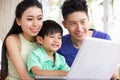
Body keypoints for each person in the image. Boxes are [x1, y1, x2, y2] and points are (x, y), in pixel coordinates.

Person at [57, 0, 119, 80]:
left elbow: (114, 76)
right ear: (64, 24)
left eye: (83, 22)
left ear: (88, 19)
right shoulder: (59, 44)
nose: (79, 29)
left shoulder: (104, 39)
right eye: (73, 23)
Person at [1, 0, 43, 80]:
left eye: (39, 18)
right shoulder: (12, 40)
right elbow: (24, 77)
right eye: (30, 19)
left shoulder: (42, 40)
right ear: (18, 21)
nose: (36, 24)